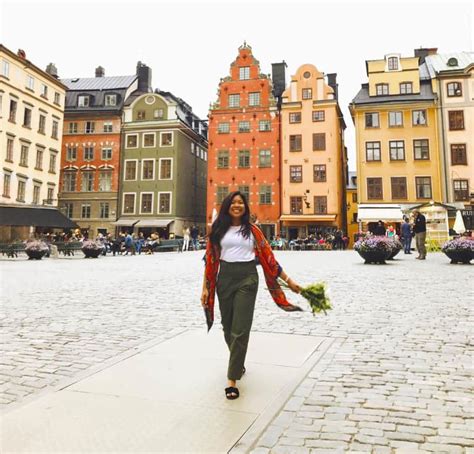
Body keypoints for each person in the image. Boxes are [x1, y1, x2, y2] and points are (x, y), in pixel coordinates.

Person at [201, 191, 302, 401]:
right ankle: (238, 362)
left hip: (247, 278)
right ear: (227, 206)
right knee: (227, 328)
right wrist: (206, 288)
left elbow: (269, 259)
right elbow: (210, 261)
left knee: (240, 330)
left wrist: (289, 281)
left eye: (241, 203)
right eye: (234, 202)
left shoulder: (253, 231)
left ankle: (232, 380)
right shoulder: (218, 230)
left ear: (245, 207)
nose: (237, 206)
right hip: (224, 279)